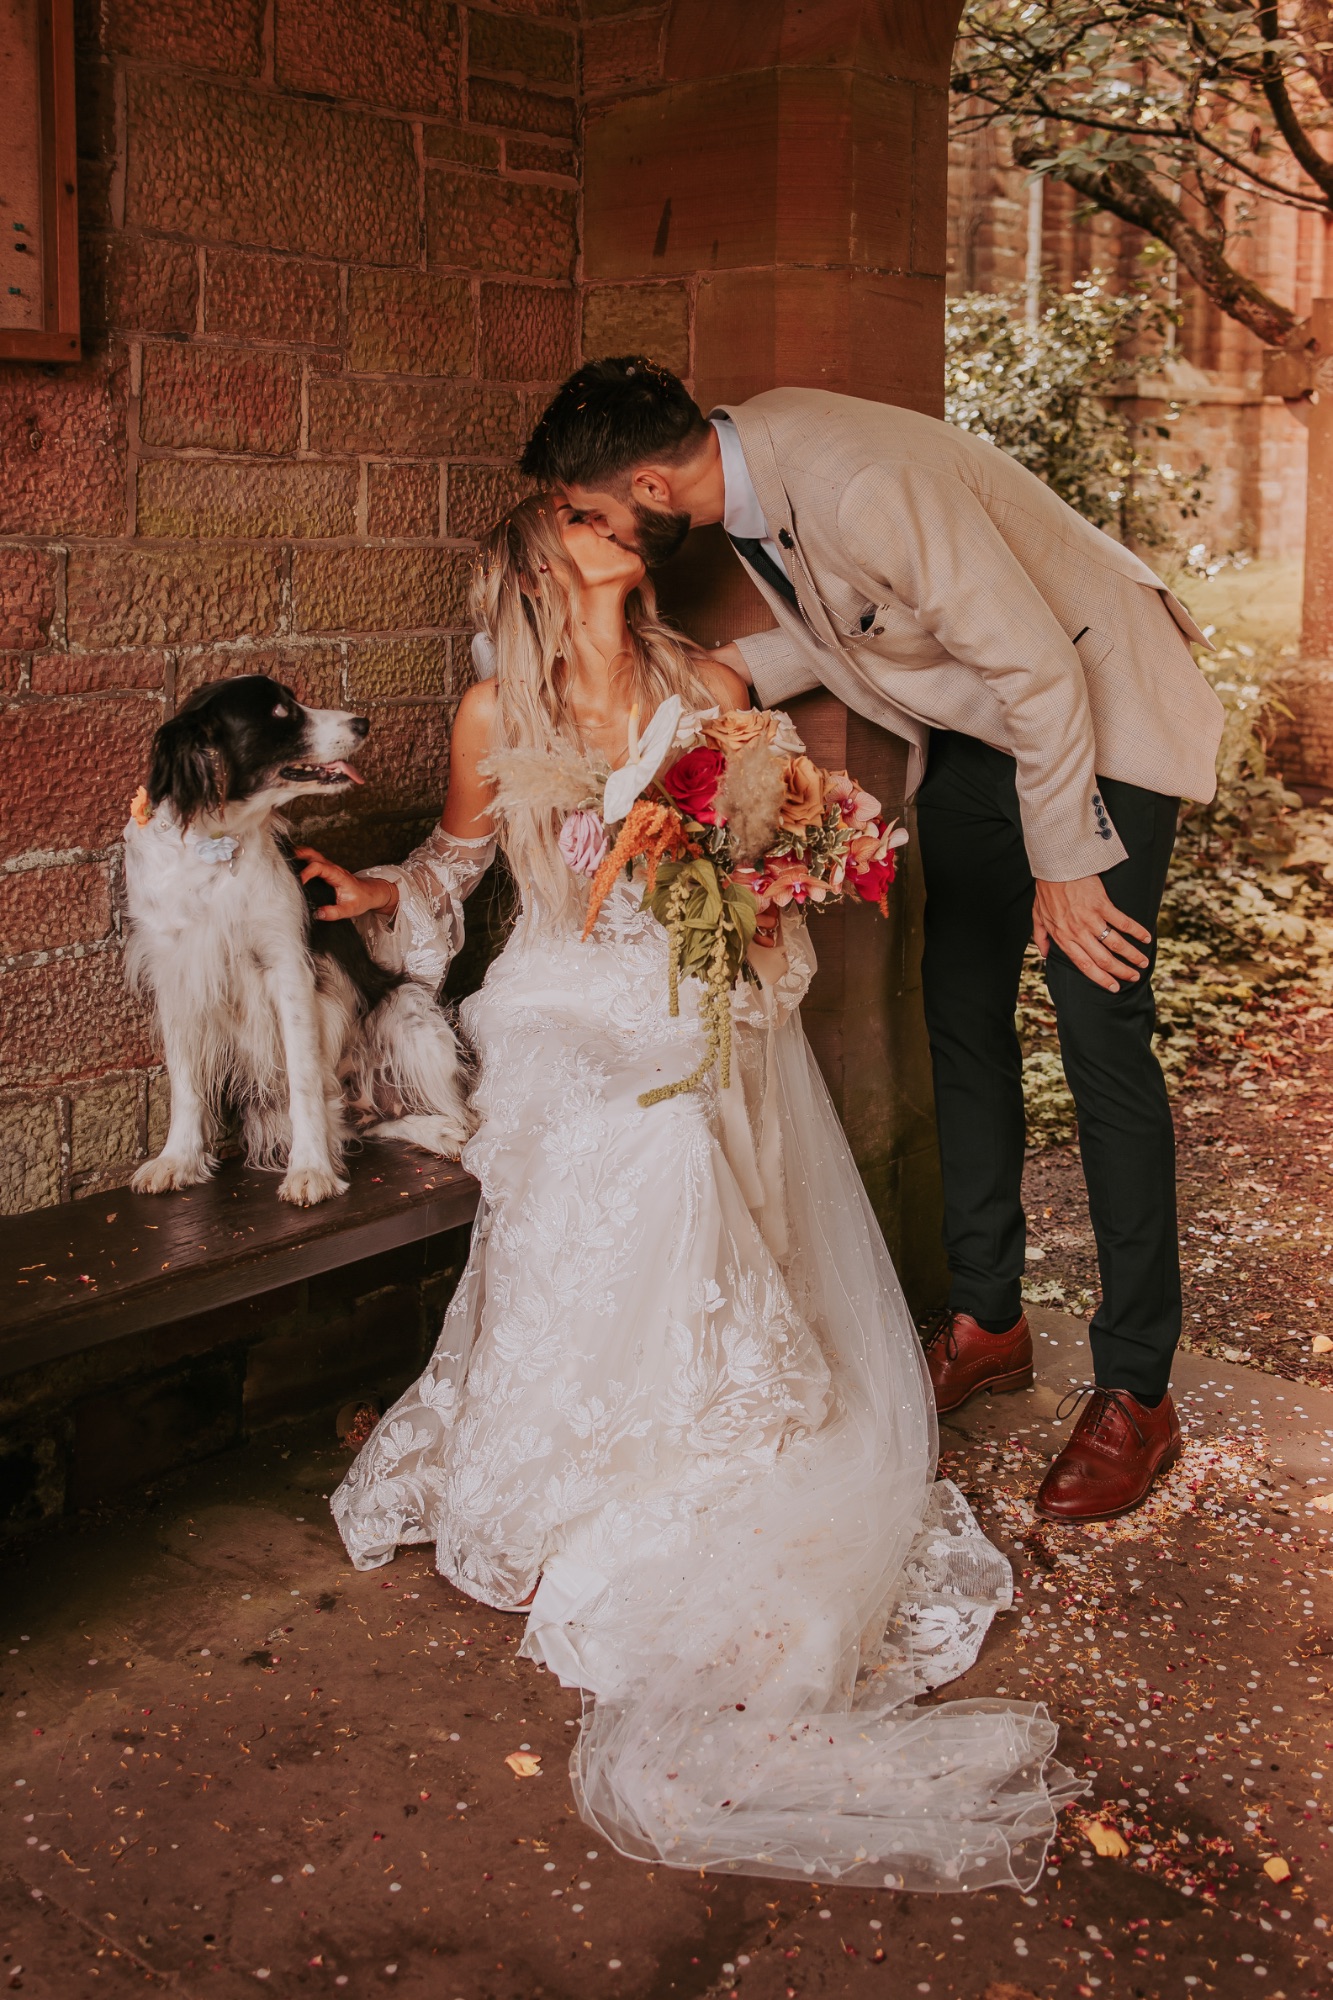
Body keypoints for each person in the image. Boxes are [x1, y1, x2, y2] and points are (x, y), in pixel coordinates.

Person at [303, 494, 1082, 1890]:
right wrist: (375, 896)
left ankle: (687, 1445)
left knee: (674, 1114)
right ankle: (572, 1463)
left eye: (617, 512)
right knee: (620, 1117)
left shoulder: (711, 690)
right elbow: (454, 868)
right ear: (537, 563)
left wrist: (759, 880)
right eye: (585, 515)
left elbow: (766, 862)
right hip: (557, 990)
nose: (619, 524)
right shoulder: (494, 711)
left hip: (684, 985)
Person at [520, 358, 1226, 1524]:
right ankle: (989, 1320)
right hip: (993, 730)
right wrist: (744, 667)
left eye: (587, 512)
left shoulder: (854, 481)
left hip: (1098, 718)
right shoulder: (751, 466)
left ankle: (1137, 1390)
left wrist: (1064, 862)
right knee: (959, 1008)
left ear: (647, 485)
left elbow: (1040, 666)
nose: (583, 532)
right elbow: (878, 617)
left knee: (1099, 1033)